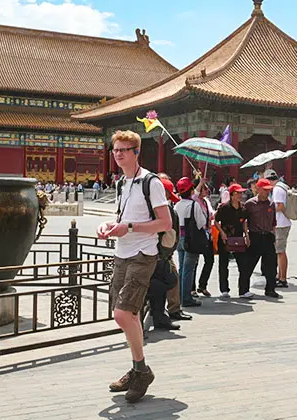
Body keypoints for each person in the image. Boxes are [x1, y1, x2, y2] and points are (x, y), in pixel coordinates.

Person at [96, 130, 171, 403]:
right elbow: (122, 216)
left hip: (143, 253)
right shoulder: (121, 183)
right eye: (115, 150)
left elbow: (165, 224)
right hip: (122, 252)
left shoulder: (150, 182)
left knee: (122, 314)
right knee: (130, 315)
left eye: (124, 150)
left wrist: (129, 227)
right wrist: (108, 226)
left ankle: (141, 370)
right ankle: (138, 368)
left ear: (137, 152)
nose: (118, 154)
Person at [155, 174, 193, 323]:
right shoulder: (159, 208)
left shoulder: (168, 207)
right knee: (168, 280)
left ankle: (172, 310)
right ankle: (167, 312)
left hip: (164, 252)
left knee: (172, 279)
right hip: (158, 253)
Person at [242, 178, 281, 299]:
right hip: (255, 236)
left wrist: (274, 236)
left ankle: (270, 289)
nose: (267, 192)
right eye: (265, 190)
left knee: (271, 265)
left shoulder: (271, 203)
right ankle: (243, 290)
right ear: (258, 189)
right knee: (248, 265)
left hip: (268, 236)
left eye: (269, 190)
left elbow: (274, 222)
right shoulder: (250, 204)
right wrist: (246, 235)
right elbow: (244, 221)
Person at [214, 183, 251, 298]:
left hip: (239, 238)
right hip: (225, 239)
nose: (240, 195)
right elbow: (215, 221)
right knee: (223, 264)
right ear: (231, 195)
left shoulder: (243, 207)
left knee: (244, 264)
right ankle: (224, 289)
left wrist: (247, 236)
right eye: (238, 193)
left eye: (241, 193)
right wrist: (222, 232)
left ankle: (244, 290)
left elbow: (244, 222)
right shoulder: (224, 207)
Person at [173, 177, 206, 307]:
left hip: (179, 239)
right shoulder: (193, 205)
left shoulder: (177, 205)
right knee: (188, 269)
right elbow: (201, 223)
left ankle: (180, 297)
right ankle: (186, 298)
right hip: (190, 239)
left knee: (182, 269)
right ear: (191, 190)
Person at [264, 169, 292, 288]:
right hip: (283, 222)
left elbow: (280, 206)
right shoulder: (283, 186)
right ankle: (280, 275)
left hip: (280, 223)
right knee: (279, 251)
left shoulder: (277, 189)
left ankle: (283, 278)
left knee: (280, 252)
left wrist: (269, 210)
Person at [194, 177, 216, 297]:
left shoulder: (206, 201)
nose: (207, 190)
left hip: (207, 234)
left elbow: (212, 215)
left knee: (210, 260)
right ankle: (191, 288)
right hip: (198, 234)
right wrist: (200, 183)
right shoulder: (195, 200)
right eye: (204, 188)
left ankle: (202, 285)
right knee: (194, 261)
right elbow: (195, 194)